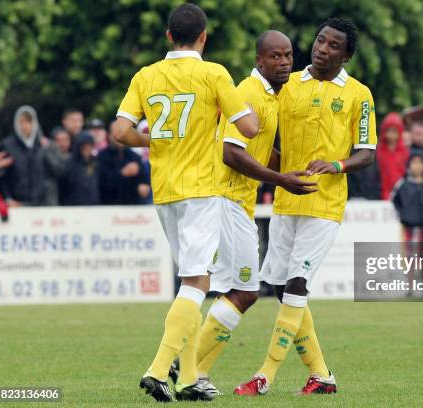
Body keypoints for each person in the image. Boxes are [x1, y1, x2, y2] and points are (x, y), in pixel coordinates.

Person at [111, 3, 259, 402]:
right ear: (204, 37)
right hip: (201, 190)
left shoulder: (146, 75)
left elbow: (121, 131)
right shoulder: (213, 73)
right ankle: (159, 370)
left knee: (194, 281)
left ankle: (190, 377)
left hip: (164, 190)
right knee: (196, 283)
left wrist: (152, 141)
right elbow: (249, 126)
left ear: (167, 36)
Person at [167, 30, 316, 398]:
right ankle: (191, 369)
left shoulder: (272, 96)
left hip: (236, 202)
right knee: (245, 290)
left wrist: (291, 170)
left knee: (240, 290)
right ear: (260, 59)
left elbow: (260, 151)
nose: (284, 63)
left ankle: (188, 367)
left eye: (288, 56)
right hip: (226, 199)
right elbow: (231, 152)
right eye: (275, 56)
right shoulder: (249, 91)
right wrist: (281, 179)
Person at [234, 17, 377, 396]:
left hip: (325, 204)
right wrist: (272, 170)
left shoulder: (359, 94)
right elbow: (266, 137)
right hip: (285, 200)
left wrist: (337, 165)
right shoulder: (288, 84)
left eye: (333, 46)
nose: (322, 48)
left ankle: (265, 375)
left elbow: (367, 153)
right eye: (319, 40)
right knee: (282, 287)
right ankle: (322, 376)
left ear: (346, 55)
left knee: (298, 283)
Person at [391, 152, 423, 291]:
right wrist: (402, 217)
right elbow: (394, 201)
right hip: (410, 226)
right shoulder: (403, 183)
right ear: (409, 165)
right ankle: (409, 288)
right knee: (410, 258)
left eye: (420, 163)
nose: (417, 166)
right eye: (414, 162)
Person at [0, 105, 58, 207]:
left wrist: (48, 151)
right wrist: (7, 198)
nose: (25, 126)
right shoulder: (7, 145)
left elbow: (54, 173)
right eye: (21, 122)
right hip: (17, 204)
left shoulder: (43, 145)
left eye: (28, 122)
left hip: (42, 204)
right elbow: (2, 176)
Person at [97, 122, 150, 205]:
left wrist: (143, 187)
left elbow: (144, 182)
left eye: (122, 132)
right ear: (109, 135)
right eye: (116, 132)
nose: (119, 136)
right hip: (107, 207)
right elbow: (100, 183)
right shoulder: (101, 156)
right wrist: (122, 173)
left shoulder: (135, 157)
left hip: (132, 208)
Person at [58, 131, 100, 206]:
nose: (86, 148)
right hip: (73, 206)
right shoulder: (69, 164)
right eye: (83, 146)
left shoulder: (96, 163)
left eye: (89, 145)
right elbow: (63, 187)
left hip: (94, 206)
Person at [376, 112, 409, 199]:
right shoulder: (378, 150)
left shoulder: (405, 151)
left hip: (401, 192)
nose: (391, 135)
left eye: (394, 131)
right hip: (381, 191)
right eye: (388, 131)